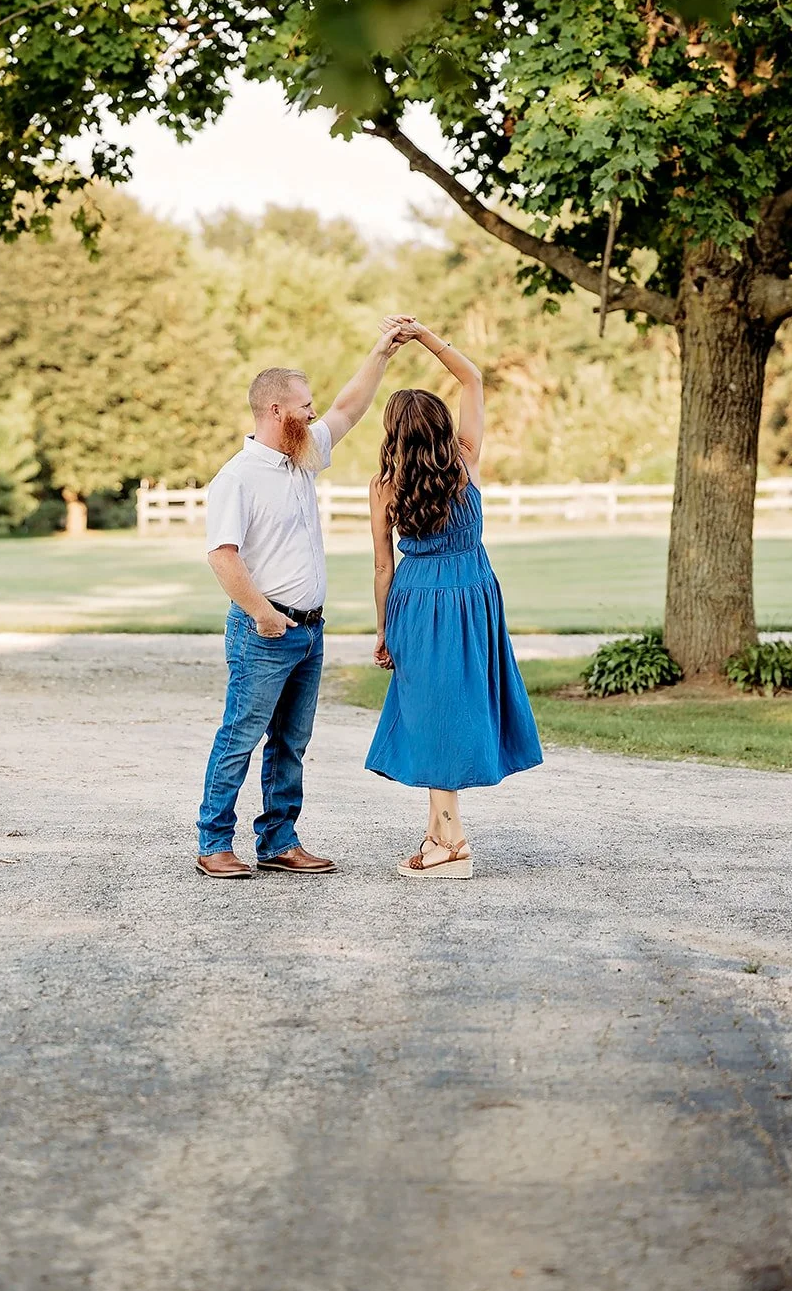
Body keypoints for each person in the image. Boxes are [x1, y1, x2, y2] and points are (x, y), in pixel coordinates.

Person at [196, 326, 408, 878]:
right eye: (303, 408)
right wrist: (264, 615)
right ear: (274, 410)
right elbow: (222, 555)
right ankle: (214, 841)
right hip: (265, 632)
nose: (314, 416)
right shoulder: (237, 478)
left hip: (311, 631)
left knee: (291, 743)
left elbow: (348, 408)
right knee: (241, 736)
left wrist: (381, 353)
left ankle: (278, 840)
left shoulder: (302, 454)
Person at [365, 318, 542, 878]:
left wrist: (382, 629)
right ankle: (436, 835)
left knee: (432, 714)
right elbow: (473, 379)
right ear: (440, 425)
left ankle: (452, 845)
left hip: (417, 600)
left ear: (393, 433)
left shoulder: (386, 485)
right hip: (474, 595)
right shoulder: (465, 459)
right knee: (439, 712)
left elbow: (381, 565)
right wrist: (426, 339)